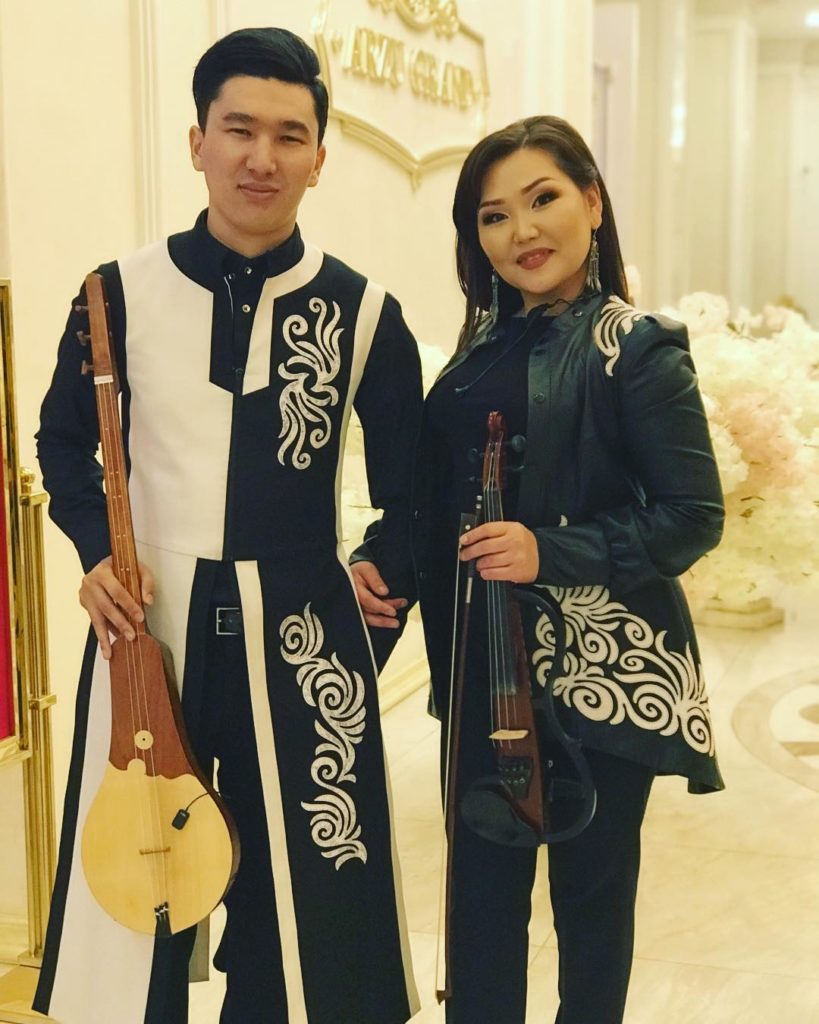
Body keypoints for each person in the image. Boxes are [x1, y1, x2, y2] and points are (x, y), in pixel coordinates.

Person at [33, 27, 421, 1024]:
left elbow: (417, 491)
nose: (262, 157)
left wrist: (374, 590)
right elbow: (61, 441)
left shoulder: (366, 313)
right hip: (148, 633)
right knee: (141, 893)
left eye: (290, 135)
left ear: (320, 158)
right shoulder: (115, 294)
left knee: (304, 914)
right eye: (239, 128)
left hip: (300, 635)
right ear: (197, 140)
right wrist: (94, 554)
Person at [359, 115, 725, 1023]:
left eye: (542, 199)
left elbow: (692, 517)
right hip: (483, 666)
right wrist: (377, 562)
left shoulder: (635, 346)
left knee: (589, 916)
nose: (520, 231)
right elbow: (435, 496)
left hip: (600, 675)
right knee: (479, 911)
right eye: (492, 215)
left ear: (592, 203)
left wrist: (544, 551)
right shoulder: (478, 348)